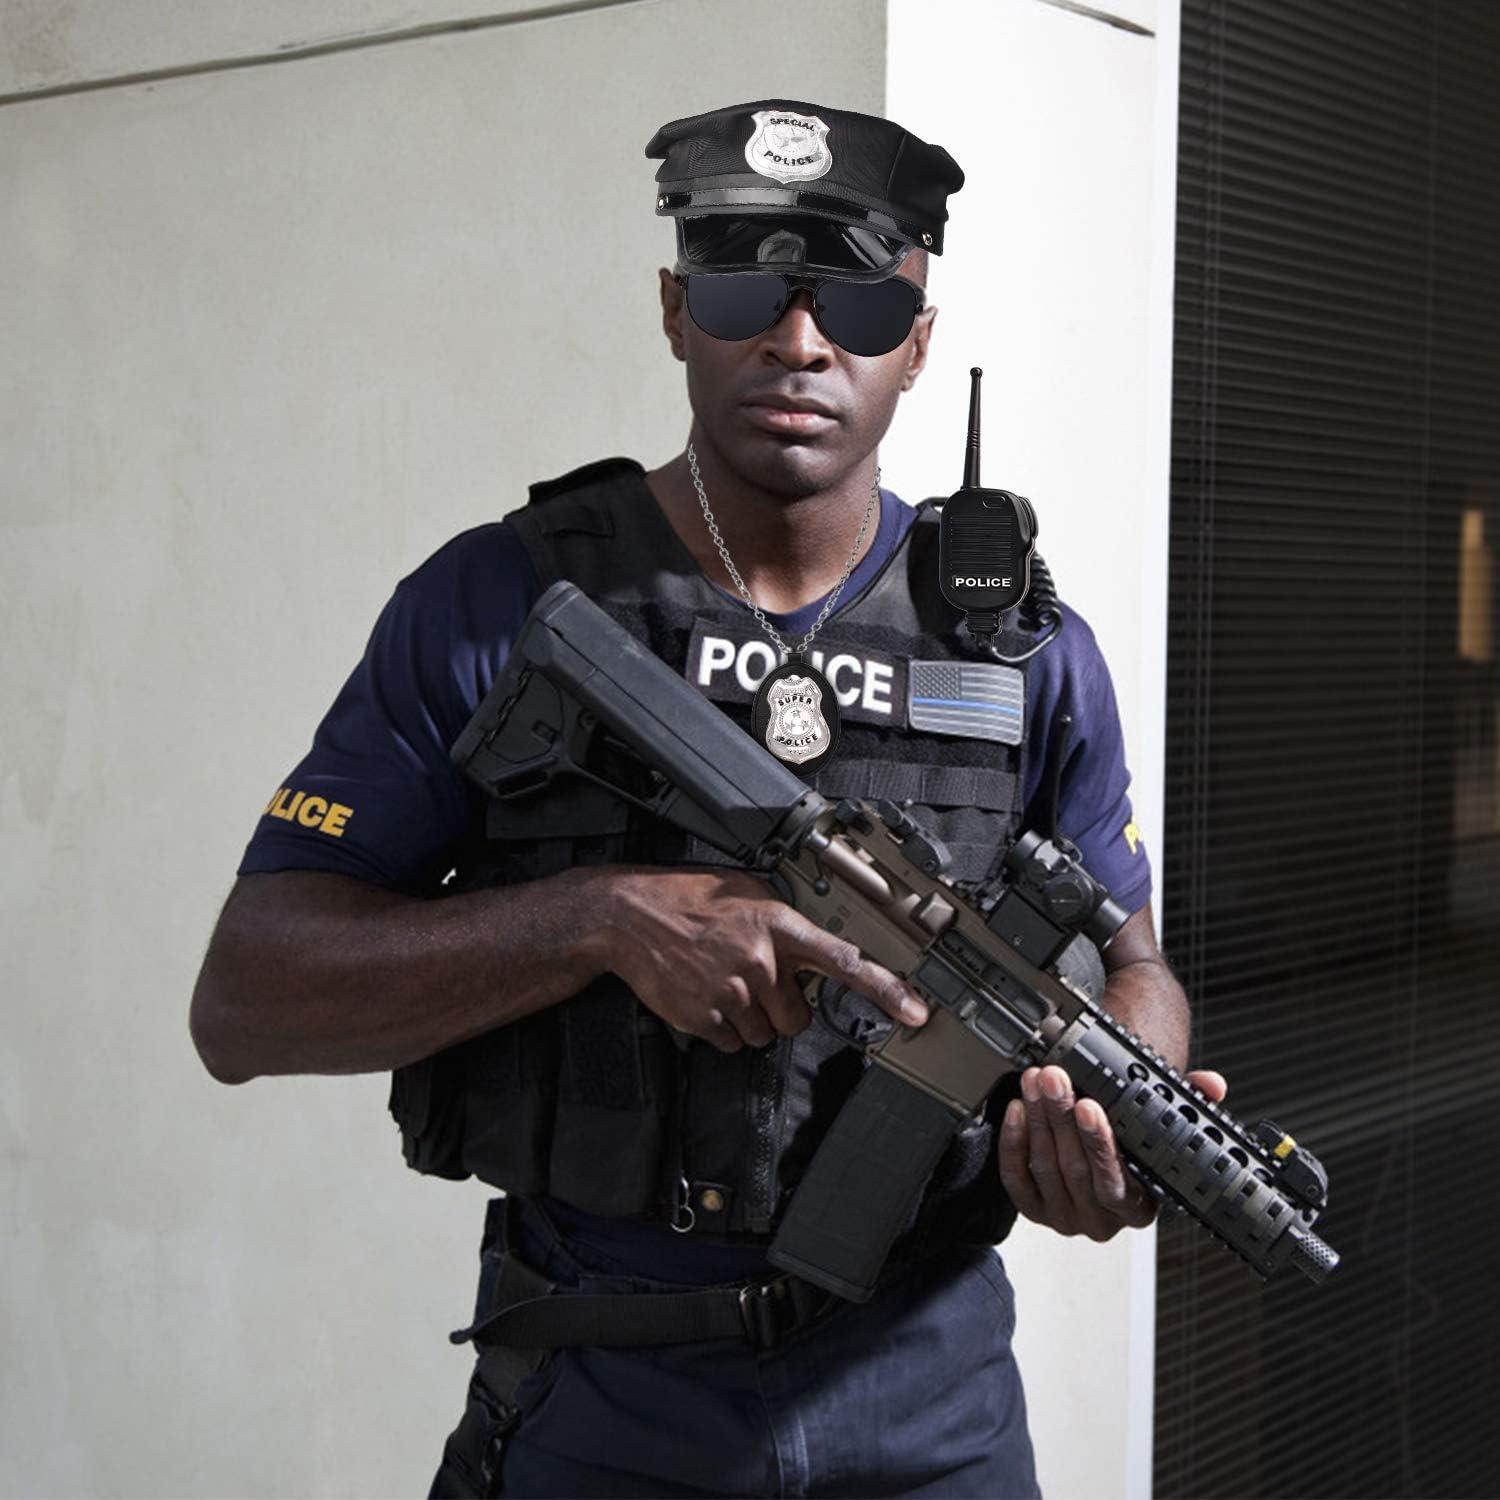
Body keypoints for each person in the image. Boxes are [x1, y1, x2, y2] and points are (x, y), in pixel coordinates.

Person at [190, 98, 1225, 1499]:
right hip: (600, 1380)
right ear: (677, 309)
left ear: (919, 344)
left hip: (932, 1400)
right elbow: (248, 1000)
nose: (799, 341)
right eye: (746, 286)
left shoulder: (1029, 650)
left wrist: (1107, 1113)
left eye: (859, 304)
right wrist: (603, 918)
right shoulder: (501, 602)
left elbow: (1134, 960)